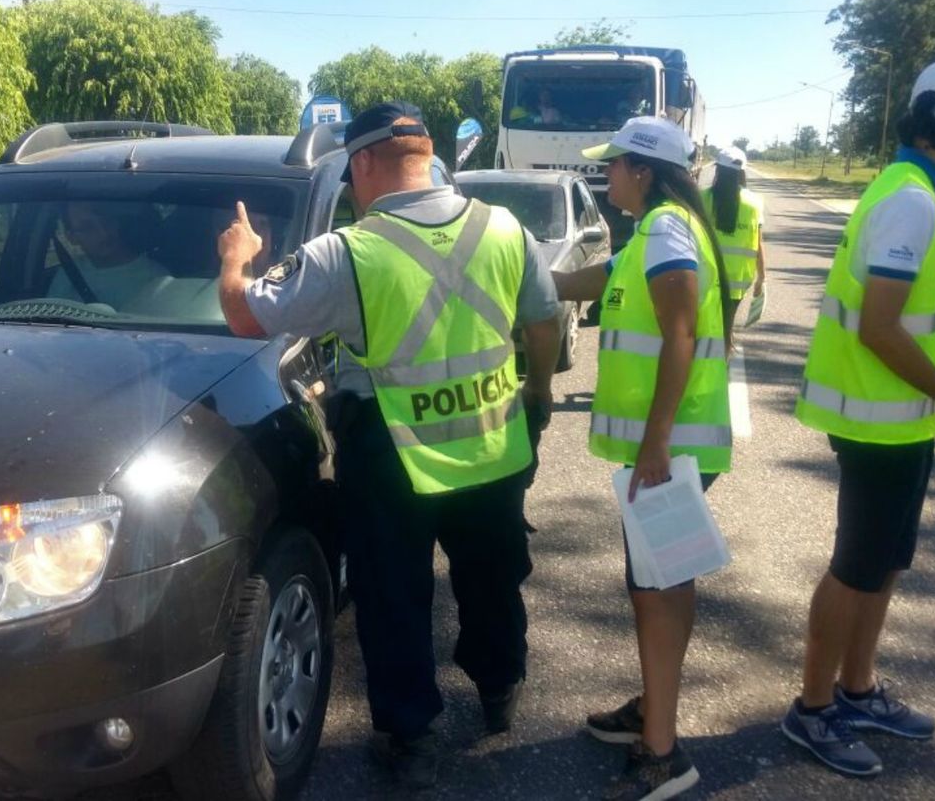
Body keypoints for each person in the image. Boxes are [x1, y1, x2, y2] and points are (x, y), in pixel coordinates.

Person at [216, 102, 562, 790]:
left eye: (350, 171)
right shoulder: (503, 228)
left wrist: (235, 259)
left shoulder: (348, 252)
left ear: (365, 162)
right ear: (427, 152)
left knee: (393, 596)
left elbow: (243, 314)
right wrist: (537, 394)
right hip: (494, 445)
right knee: (493, 576)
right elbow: (544, 319)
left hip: (391, 456)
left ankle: (412, 740)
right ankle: (500, 689)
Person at [782, 57, 935, 777]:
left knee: (884, 562)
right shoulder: (910, 200)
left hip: (904, 421)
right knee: (856, 568)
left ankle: (856, 690)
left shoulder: (910, 189)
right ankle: (814, 709)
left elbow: (911, 327)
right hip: (878, 424)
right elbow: (880, 328)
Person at [551, 115, 736, 801]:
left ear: (645, 172)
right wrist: (538, 282)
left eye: (614, 167)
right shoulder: (657, 231)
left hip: (670, 447)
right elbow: (600, 280)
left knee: (653, 591)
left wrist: (656, 439)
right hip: (670, 445)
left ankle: (661, 752)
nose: (606, 178)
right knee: (665, 584)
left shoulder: (664, 230)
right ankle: (653, 708)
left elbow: (680, 334)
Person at [48, 200, 169, 309]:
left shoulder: (156, 277)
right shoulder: (69, 273)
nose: (103, 233)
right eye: (88, 228)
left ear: (117, 223)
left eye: (107, 221)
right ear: (72, 238)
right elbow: (49, 321)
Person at [704, 146, 767, 304]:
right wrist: (762, 277)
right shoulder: (754, 203)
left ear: (718, 170)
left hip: (703, 278)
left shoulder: (701, 198)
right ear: (742, 173)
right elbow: (758, 244)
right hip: (736, 282)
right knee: (726, 326)